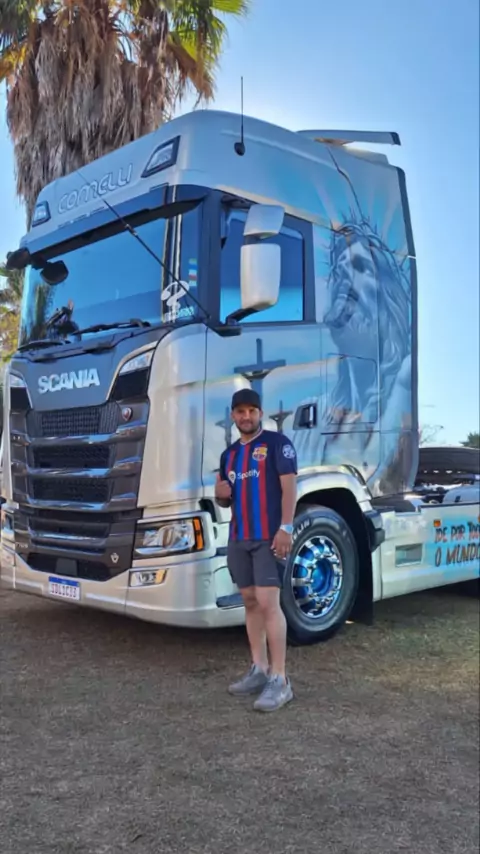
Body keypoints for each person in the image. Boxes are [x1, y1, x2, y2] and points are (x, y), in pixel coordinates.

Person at [215, 388, 297, 713]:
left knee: (268, 603)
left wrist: (286, 527)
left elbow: (289, 488)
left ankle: (280, 679)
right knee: (249, 601)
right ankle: (259, 669)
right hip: (239, 538)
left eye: (252, 411)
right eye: (240, 412)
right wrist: (219, 494)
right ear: (233, 416)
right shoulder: (229, 455)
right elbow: (226, 498)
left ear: (260, 413)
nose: (246, 417)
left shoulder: (278, 444)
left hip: (268, 537)